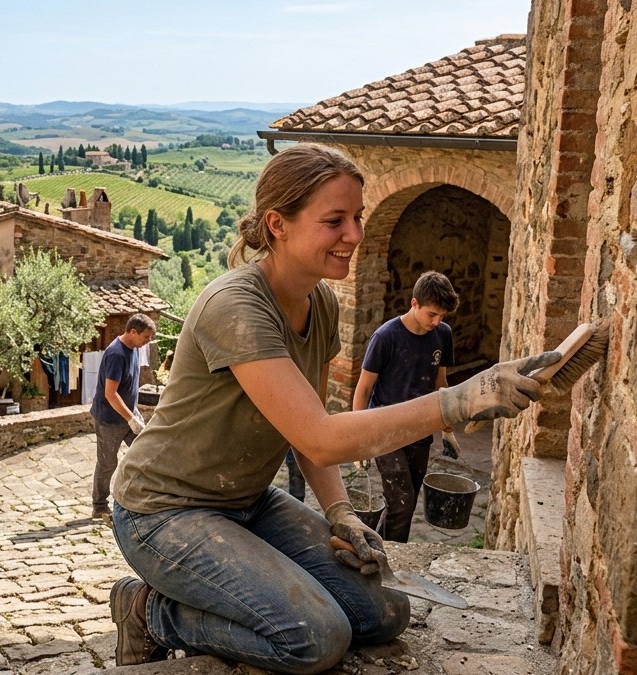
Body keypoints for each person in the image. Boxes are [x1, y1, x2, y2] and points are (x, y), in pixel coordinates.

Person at [107, 143, 559, 673]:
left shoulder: (319, 302)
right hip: (164, 513)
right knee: (315, 638)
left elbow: (308, 432)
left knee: (383, 612)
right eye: (335, 220)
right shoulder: (235, 306)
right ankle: (148, 610)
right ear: (278, 224)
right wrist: (458, 401)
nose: (355, 235)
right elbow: (323, 435)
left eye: (358, 217)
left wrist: (340, 510)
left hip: (247, 503)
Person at [353, 271, 458, 542]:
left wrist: (447, 423)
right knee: (401, 501)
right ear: (414, 304)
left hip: (421, 428)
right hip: (385, 427)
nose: (437, 321)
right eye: (432, 314)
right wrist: (357, 437)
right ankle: (393, 562)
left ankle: (378, 550)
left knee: (405, 505)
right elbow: (364, 389)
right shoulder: (385, 337)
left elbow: (441, 381)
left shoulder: (442, 335)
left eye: (442, 316)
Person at [90, 313, 156, 527]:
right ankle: (99, 506)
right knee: (108, 463)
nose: (148, 341)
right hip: (109, 419)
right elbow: (111, 393)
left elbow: (128, 387)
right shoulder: (117, 354)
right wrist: (131, 418)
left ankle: (139, 498)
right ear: (133, 332)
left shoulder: (134, 349)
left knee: (145, 453)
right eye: (145, 337)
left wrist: (135, 414)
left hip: (129, 415)